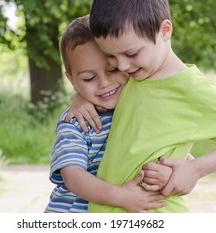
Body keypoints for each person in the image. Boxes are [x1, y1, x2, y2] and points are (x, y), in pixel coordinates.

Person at [68, 0, 216, 213]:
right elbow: (97, 80)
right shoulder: (133, 74)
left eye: (131, 53)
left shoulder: (191, 88)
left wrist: (194, 169)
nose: (122, 65)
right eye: (110, 56)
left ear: (165, 30)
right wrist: (79, 97)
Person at [44, 15, 172, 213]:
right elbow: (73, 176)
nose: (104, 83)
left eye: (112, 70)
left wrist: (166, 171)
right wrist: (121, 197)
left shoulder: (142, 110)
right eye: (89, 78)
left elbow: (172, 154)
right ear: (72, 81)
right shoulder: (76, 121)